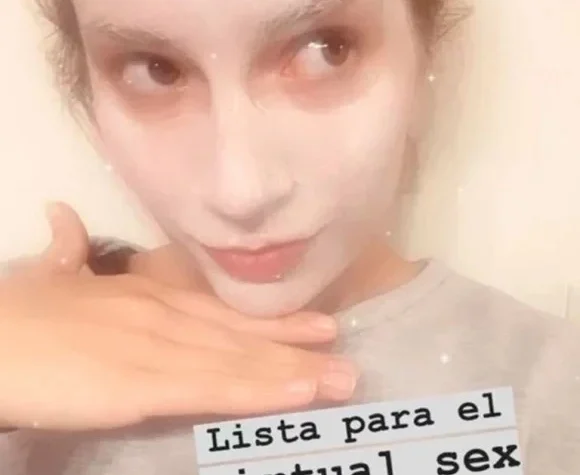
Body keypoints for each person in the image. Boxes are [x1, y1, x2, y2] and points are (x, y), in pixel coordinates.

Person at [0, 0, 578, 473]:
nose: (241, 192)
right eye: (156, 69)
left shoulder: (550, 383)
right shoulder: (18, 344)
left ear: (424, 54)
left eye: (325, 50)